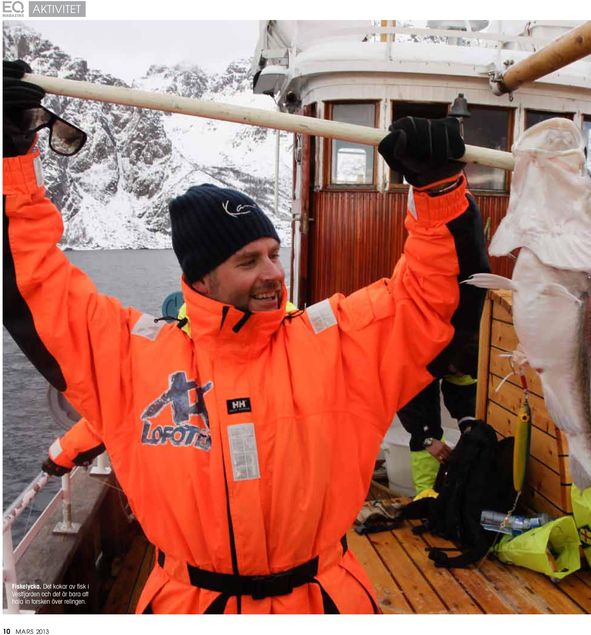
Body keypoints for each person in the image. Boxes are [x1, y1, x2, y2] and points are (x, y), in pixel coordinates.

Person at [3, 60, 489, 613]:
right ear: (201, 278)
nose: (274, 273)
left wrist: (440, 192)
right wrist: (12, 157)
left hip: (324, 602)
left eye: (275, 254)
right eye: (248, 260)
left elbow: (436, 300)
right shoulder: (130, 359)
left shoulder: (338, 347)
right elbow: (33, 284)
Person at [398, 373, 476, 495]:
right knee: (429, 430)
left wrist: (469, 425)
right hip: (402, 376)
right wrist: (426, 438)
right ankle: (426, 495)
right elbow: (404, 396)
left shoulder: (464, 362)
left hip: (447, 363)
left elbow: (465, 390)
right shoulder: (409, 367)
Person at [42, 417, 106, 476]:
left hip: (106, 428)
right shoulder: (64, 443)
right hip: (94, 418)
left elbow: (104, 445)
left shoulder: (79, 458)